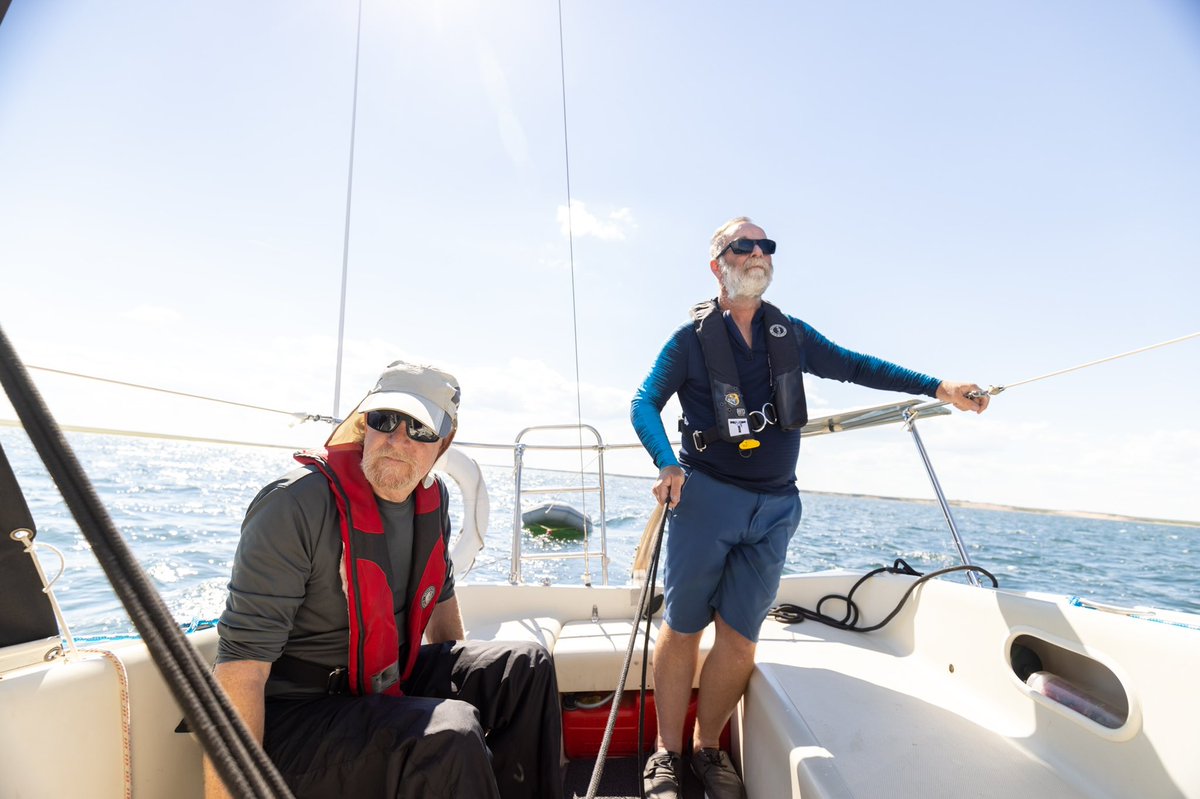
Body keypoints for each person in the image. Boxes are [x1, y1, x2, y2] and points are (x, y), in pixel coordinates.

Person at [630, 216, 989, 799]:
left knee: (741, 637)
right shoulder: (689, 341)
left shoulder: (789, 334)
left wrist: (938, 386)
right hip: (706, 498)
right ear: (717, 263)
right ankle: (666, 755)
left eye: (766, 246)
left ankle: (707, 747)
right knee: (684, 625)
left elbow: (859, 366)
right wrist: (666, 462)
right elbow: (644, 402)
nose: (758, 253)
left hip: (775, 508)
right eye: (743, 245)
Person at [206, 360, 563, 799]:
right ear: (363, 425)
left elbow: (442, 609)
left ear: (443, 443)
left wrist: (450, 687)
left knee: (525, 666)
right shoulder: (294, 504)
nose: (397, 440)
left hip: (385, 680)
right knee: (452, 733)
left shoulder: (433, 499)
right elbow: (240, 667)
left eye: (420, 429)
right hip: (296, 719)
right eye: (385, 420)